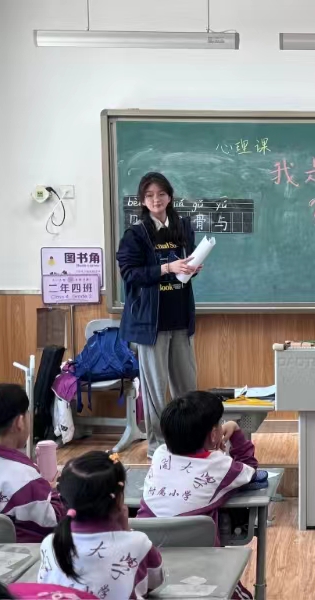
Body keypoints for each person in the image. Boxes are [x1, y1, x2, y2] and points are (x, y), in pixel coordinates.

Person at [136, 391, 257, 599]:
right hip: (203, 570)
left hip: (149, 570)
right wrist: (235, 431)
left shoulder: (159, 455)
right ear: (213, 435)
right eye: (219, 424)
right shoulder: (220, 466)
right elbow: (250, 469)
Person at [117, 172, 199, 459]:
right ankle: (158, 446)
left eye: (161, 194)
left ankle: (189, 440)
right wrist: (166, 268)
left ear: (170, 197)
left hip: (180, 317)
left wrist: (191, 269)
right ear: (143, 200)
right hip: (151, 324)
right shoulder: (135, 234)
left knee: (187, 387)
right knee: (155, 390)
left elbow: (186, 263)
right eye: (150, 195)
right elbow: (130, 274)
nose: (156, 200)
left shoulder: (182, 227)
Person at [37, 451, 163, 600]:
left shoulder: (50, 543)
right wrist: (127, 531)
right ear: (118, 500)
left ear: (63, 500)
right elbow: (155, 581)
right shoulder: (138, 543)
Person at [0, 384, 65, 541]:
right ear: (20, 421)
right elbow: (54, 521)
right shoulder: (26, 477)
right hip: (20, 547)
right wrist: (53, 492)